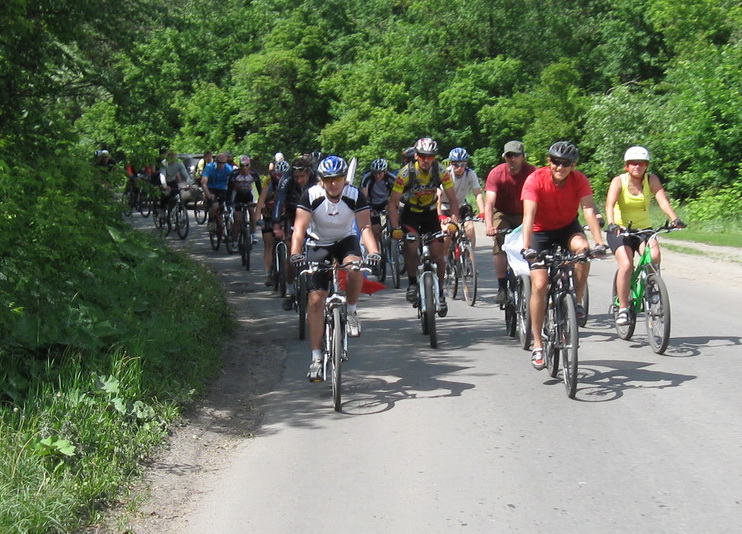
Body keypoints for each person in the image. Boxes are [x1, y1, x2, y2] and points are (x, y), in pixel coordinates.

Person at [289, 156, 380, 382]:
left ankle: (351, 311)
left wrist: (373, 252)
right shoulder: (311, 195)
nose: (333, 183)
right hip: (318, 243)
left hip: (345, 241)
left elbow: (365, 227)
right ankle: (316, 358)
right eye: (328, 179)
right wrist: (295, 253)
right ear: (321, 180)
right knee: (316, 300)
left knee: (355, 269)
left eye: (338, 178)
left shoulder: (354, 194)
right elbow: (299, 228)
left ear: (344, 179)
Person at [520, 141, 606, 370]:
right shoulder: (535, 179)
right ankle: (538, 345)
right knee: (540, 284)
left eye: (566, 163)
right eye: (556, 162)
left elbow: (588, 210)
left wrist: (599, 242)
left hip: (567, 227)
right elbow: (528, 215)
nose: (560, 167)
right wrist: (527, 247)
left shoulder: (580, 180)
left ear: (573, 165)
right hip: (540, 232)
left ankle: (576, 301)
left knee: (583, 250)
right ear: (549, 161)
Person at [604, 145, 686, 326]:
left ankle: (651, 287)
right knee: (626, 265)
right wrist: (611, 223)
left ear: (646, 165)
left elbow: (662, 200)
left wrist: (675, 219)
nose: (637, 166)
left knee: (654, 256)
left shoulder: (651, 179)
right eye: (633, 163)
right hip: (621, 230)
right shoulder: (619, 181)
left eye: (641, 163)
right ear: (626, 166)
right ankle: (623, 308)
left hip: (644, 228)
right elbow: (609, 204)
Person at [387, 137, 459, 316]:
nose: (426, 160)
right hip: (410, 214)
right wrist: (395, 228)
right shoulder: (405, 173)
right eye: (422, 156)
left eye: (430, 156)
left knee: (438, 255)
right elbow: (392, 203)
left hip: (430, 214)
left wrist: (453, 222)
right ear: (416, 156)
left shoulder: (440, 171)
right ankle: (412, 283)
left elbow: (453, 200)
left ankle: (440, 293)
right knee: (411, 246)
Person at [484, 141, 537, 304]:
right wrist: (489, 226)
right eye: (509, 156)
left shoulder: (532, 172)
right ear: (504, 157)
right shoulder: (496, 173)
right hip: (503, 213)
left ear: (523, 157)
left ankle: (534, 281)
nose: (512, 159)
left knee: (534, 243)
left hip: (525, 212)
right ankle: (502, 287)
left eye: (516, 156)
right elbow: (489, 203)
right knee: (501, 241)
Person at [272, 156, 318, 310]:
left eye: (302, 177)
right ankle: (290, 289)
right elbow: (279, 201)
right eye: (296, 177)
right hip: (292, 214)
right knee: (291, 252)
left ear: (309, 173)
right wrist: (276, 224)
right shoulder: (286, 179)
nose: (299, 180)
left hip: (312, 214)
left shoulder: (316, 179)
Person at [439, 147, 485, 250]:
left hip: (461, 203)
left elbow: (478, 193)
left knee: (470, 227)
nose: (459, 168)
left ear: (466, 164)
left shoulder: (470, 173)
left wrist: (482, 212)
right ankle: (444, 257)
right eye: (456, 165)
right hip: (444, 205)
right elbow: (438, 196)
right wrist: (440, 215)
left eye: (462, 165)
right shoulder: (445, 174)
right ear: (451, 164)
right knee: (447, 233)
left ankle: (470, 255)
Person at [256, 159, 290, 286]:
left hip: (285, 216)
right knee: (268, 242)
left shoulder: (291, 185)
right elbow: (260, 204)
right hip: (269, 216)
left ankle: (287, 272)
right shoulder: (268, 184)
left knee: (288, 241)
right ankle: (268, 273)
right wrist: (258, 219)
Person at [360, 158, 396, 248]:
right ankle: (376, 251)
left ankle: (396, 241)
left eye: (380, 173)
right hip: (372, 204)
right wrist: (369, 210)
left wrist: (395, 205)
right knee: (375, 231)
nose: (377, 175)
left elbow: (397, 193)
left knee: (396, 215)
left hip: (385, 202)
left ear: (385, 172)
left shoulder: (391, 178)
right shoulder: (367, 178)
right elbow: (364, 197)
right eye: (375, 173)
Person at [228, 155, 262, 245]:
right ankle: (235, 242)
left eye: (247, 165)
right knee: (238, 220)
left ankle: (253, 233)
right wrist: (229, 202)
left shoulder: (253, 174)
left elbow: (259, 189)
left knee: (251, 211)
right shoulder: (234, 174)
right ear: (239, 166)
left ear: (250, 165)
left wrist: (261, 201)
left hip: (248, 195)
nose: (244, 168)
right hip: (237, 196)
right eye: (242, 166)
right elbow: (229, 189)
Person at [201, 152, 234, 231]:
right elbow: (203, 183)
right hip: (211, 188)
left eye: (223, 163)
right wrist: (208, 194)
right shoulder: (209, 167)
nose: (221, 165)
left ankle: (227, 225)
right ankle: (211, 220)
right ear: (216, 162)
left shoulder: (228, 168)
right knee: (215, 205)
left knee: (229, 205)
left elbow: (235, 180)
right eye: (219, 163)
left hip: (223, 189)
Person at [158, 150, 189, 215]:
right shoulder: (164, 163)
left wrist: (190, 184)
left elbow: (186, 175)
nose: (172, 157)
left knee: (177, 195)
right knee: (165, 195)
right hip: (164, 181)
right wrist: (165, 185)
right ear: (168, 156)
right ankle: (162, 210)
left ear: (176, 156)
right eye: (170, 155)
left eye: (174, 155)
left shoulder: (179, 163)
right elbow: (162, 175)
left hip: (172, 180)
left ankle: (172, 210)